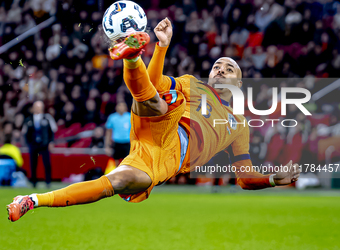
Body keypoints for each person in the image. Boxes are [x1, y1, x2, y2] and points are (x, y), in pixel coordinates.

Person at [7, 18, 300, 222]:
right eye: (217, 66)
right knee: (163, 99)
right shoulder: (190, 84)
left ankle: (32, 200)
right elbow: (157, 82)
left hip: (163, 160)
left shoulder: (239, 124)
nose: (221, 69)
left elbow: (245, 178)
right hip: (164, 124)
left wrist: (273, 179)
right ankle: (133, 57)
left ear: (239, 82)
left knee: (118, 181)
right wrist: (161, 47)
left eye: (229, 68)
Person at [22, 101, 57, 188]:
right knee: (33, 164)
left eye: (39, 107)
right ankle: (33, 181)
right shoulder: (29, 119)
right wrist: (28, 143)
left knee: (47, 163)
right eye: (36, 107)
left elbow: (52, 131)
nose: (38, 108)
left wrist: (51, 142)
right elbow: (25, 132)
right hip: (33, 144)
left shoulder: (47, 118)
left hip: (44, 144)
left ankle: (48, 181)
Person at [105, 102, 131, 167]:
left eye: (123, 105)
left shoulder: (130, 117)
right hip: (116, 143)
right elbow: (108, 132)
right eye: (119, 105)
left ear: (126, 107)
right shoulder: (112, 117)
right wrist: (107, 146)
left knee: (127, 162)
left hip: (127, 143)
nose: (121, 107)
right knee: (116, 163)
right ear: (116, 107)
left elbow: (134, 132)